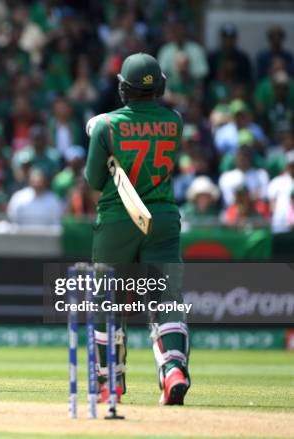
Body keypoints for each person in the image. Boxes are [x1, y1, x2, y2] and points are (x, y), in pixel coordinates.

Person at [84, 53, 190, 405]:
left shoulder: (105, 127)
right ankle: (173, 369)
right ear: (159, 86)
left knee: (105, 300)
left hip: (118, 219)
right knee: (166, 299)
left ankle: (108, 382)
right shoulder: (175, 121)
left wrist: (99, 132)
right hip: (162, 217)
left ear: (122, 87)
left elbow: (95, 180)